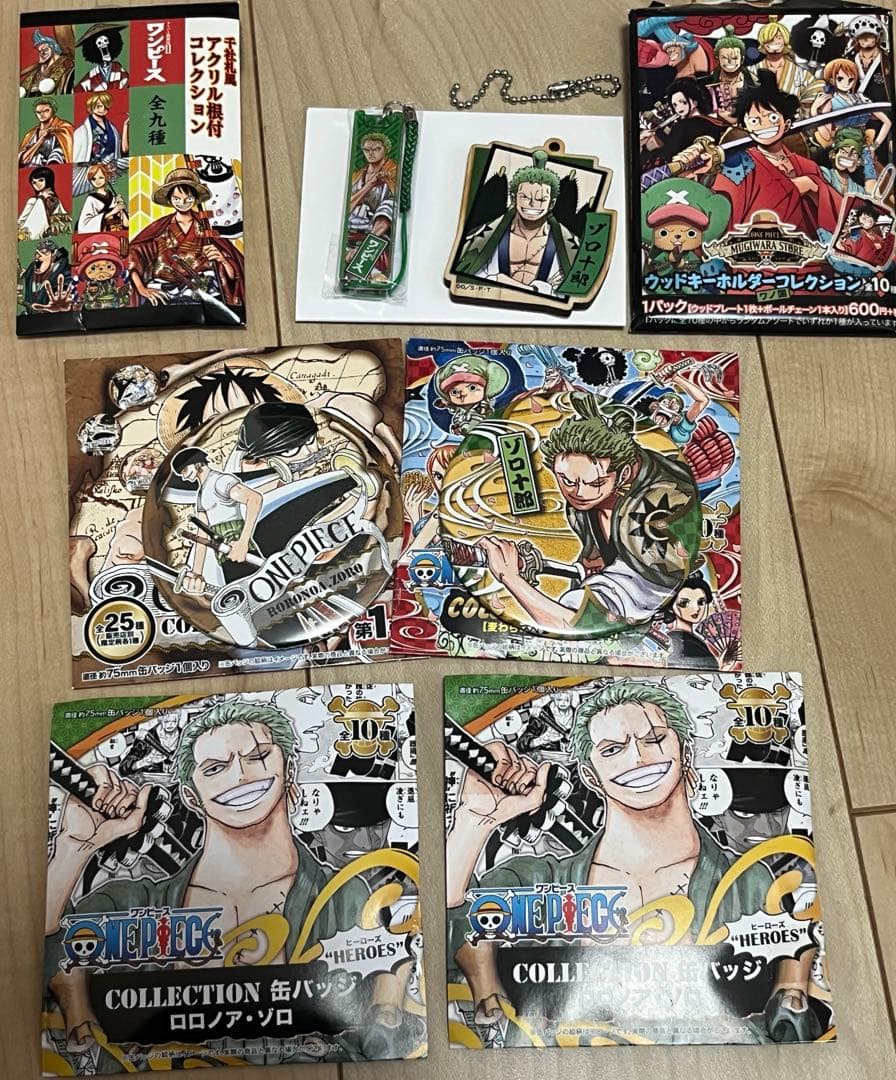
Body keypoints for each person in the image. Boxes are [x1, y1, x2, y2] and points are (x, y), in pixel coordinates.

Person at [446, 681, 820, 1043]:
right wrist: (473, 821)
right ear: (590, 774)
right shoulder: (536, 882)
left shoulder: (749, 885)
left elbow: (793, 1034)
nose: (638, 758)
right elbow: (440, 931)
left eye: (654, 739)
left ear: (685, 751)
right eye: (612, 749)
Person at [44, 700, 411, 1062]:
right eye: (216, 767)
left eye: (258, 756)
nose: (241, 776)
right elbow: (44, 961)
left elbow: (380, 1040)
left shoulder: (344, 899)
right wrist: (75, 847)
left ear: (289, 769)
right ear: (191, 795)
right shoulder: (129, 905)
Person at [475, 393, 700, 634]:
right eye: (566, 480)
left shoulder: (653, 523)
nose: (579, 493)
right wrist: (594, 555)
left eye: (595, 483)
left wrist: (510, 578)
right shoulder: (584, 507)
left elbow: (574, 623)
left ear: (624, 474)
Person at [686, 71, 841, 243]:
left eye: (772, 117)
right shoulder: (740, 163)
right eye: (754, 120)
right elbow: (723, 202)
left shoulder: (807, 167)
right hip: (750, 248)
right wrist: (703, 172)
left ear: (787, 124)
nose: (763, 125)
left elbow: (837, 216)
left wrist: (814, 187)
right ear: (746, 127)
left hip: (803, 250)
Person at [454, 150, 578, 294]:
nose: (532, 204)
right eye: (525, 197)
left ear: (551, 203)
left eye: (540, 199)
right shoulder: (484, 237)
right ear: (514, 198)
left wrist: (506, 281)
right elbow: (469, 277)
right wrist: (538, 289)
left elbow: (567, 290)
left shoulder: (568, 246)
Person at [128, 167, 245, 308]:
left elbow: (233, 275)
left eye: (188, 198)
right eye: (177, 198)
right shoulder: (160, 229)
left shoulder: (207, 229)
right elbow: (133, 255)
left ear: (195, 199)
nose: (183, 203)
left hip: (206, 290)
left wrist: (223, 260)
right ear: (170, 200)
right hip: (164, 290)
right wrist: (141, 288)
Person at [169, 445, 263, 594]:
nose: (183, 476)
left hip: (240, 549)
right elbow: (202, 534)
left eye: (184, 470)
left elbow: (254, 499)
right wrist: (196, 573)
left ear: (196, 463)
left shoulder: (220, 481)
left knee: (262, 588)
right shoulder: (201, 494)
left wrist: (242, 543)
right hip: (223, 555)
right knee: (242, 595)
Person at [811, 58, 891, 191]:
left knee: (871, 174)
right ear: (832, 80)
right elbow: (826, 135)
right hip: (840, 144)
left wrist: (874, 146)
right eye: (840, 79)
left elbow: (887, 122)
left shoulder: (862, 99)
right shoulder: (830, 102)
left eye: (850, 79)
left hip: (862, 144)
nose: (846, 83)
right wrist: (814, 111)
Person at [345, 131, 397, 279]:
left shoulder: (392, 174)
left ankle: (366, 260)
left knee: (390, 205)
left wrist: (364, 249)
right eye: (367, 150)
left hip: (375, 238)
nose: (371, 153)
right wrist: (369, 185)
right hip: (351, 234)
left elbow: (388, 212)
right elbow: (348, 208)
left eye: (376, 149)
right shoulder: (357, 176)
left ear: (385, 150)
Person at [642, 77, 722, 163]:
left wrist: (647, 147)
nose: (679, 108)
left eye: (683, 102)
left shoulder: (682, 126)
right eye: (675, 105)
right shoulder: (713, 122)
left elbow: (667, 155)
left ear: (694, 101)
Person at [432, 354, 510, 436]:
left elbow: (483, 416)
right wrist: (446, 404)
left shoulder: (482, 406)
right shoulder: (459, 409)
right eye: (454, 392)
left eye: (472, 388)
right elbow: (452, 408)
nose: (461, 394)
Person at [660, 573, 718, 668]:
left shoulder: (690, 639)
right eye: (684, 603)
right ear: (671, 606)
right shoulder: (677, 640)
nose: (696, 608)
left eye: (701, 602)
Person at [708, 24, 757, 125]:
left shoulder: (754, 82)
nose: (730, 62)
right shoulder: (708, 83)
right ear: (717, 59)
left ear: (742, 59)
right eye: (725, 58)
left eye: (734, 58)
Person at [756, 16, 811, 97]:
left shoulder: (800, 72)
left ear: (785, 41)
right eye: (770, 39)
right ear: (763, 42)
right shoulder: (752, 70)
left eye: (779, 38)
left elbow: (816, 86)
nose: (775, 42)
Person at [72, 91, 128, 166]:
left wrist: (125, 126)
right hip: (93, 170)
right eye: (99, 106)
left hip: (112, 168)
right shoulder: (81, 132)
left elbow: (123, 150)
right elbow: (77, 160)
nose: (103, 109)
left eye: (106, 106)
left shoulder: (113, 129)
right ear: (92, 107)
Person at [18, 238, 72, 313]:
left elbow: (66, 296)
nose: (37, 256)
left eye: (44, 252)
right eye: (37, 253)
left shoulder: (66, 274)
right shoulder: (30, 271)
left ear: (53, 256)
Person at [17, 166, 71, 239]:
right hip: (30, 234)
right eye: (34, 182)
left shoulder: (54, 200)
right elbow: (22, 221)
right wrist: (41, 198)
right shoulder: (33, 200)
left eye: (41, 180)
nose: (37, 184)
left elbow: (63, 218)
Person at [18, 97, 73, 167]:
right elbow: (23, 160)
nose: (41, 114)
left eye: (46, 111)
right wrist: (42, 139)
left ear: (53, 111)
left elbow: (64, 154)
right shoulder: (30, 134)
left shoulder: (63, 129)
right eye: (38, 112)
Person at [75, 162, 128, 232]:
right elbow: (83, 226)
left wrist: (122, 209)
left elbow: (126, 224)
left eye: (101, 177)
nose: (97, 181)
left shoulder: (114, 197)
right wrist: (111, 212)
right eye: (93, 178)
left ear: (107, 177)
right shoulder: (91, 199)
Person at [20, 28, 74, 96]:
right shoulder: (33, 74)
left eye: (44, 50)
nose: (41, 53)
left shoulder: (67, 66)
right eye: (40, 51)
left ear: (53, 48)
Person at [75, 23, 129, 91]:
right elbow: (78, 91)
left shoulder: (119, 70)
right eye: (99, 43)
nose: (103, 44)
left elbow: (129, 87)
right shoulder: (91, 75)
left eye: (105, 41)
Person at [821, 126, 868, 197]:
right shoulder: (823, 174)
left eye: (853, 155)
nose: (847, 157)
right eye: (843, 152)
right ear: (834, 155)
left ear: (858, 161)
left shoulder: (859, 191)